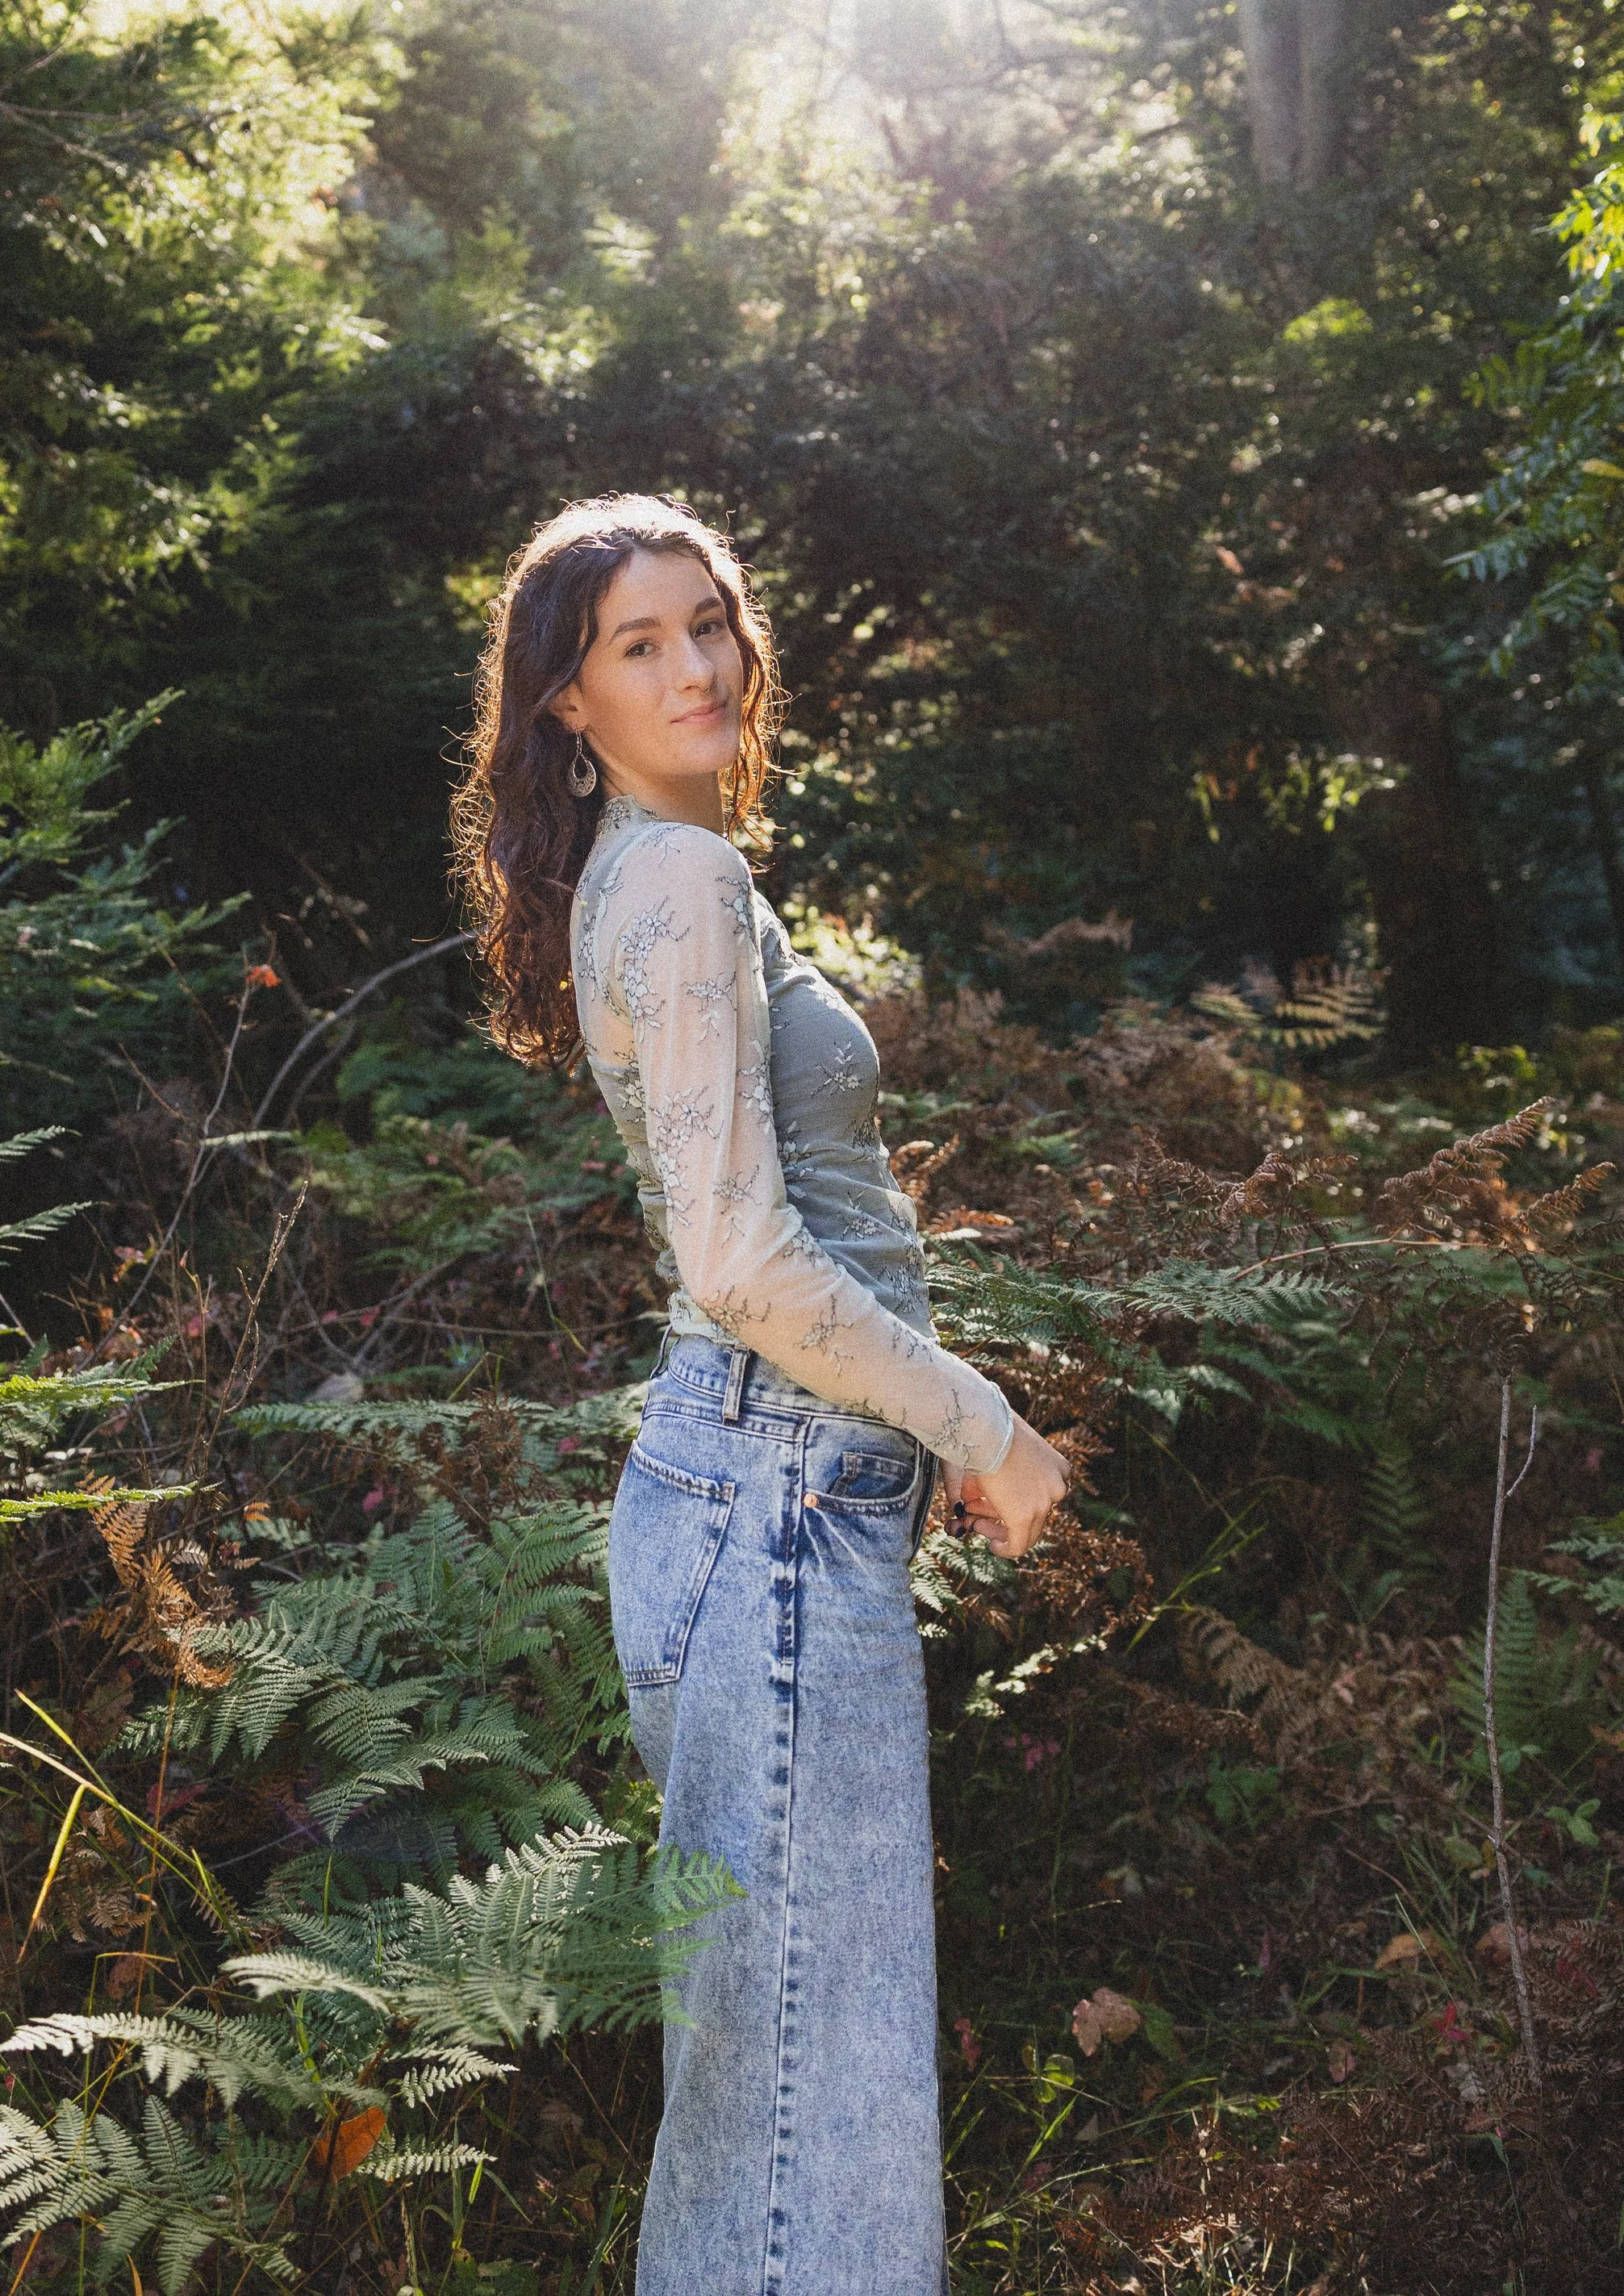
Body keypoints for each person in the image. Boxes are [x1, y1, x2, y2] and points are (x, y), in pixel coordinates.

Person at [451, 492, 1070, 2296]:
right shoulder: (681, 880)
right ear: (567, 702)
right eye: (636, 645)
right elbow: (736, 1263)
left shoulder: (643, 872)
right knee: (814, 2093)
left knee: (768, 2073)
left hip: (753, 1484)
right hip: (777, 1491)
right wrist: (982, 1425)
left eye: (705, 621)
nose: (696, 664)